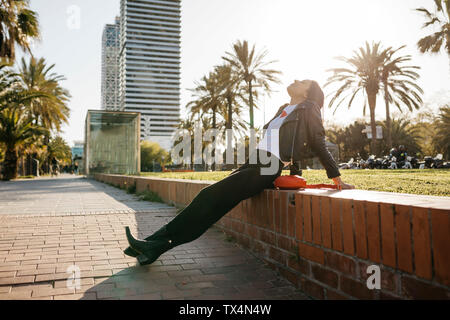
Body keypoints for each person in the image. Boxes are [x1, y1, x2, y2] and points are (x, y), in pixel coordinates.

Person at [125, 79, 355, 266]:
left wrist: (337, 179)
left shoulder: (309, 109)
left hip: (269, 166)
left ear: (308, 93)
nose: (295, 80)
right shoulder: (284, 109)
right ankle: (153, 247)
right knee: (214, 207)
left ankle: (152, 243)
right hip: (255, 162)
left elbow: (318, 142)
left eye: (302, 81)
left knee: (208, 197)